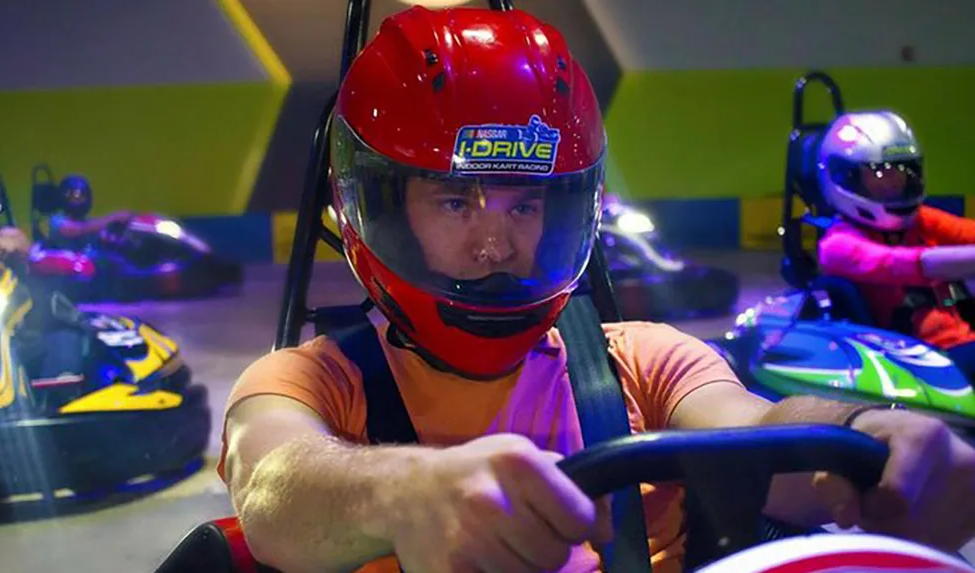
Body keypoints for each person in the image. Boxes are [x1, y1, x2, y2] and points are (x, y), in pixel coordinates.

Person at [218, 7, 975, 573]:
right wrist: (406, 491)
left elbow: (758, 425)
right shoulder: (313, 381)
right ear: (379, 210)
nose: (496, 242)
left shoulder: (643, 359)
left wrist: (866, 432)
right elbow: (275, 482)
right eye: (455, 202)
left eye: (526, 204)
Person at [816, 110, 975, 377]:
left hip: (963, 346)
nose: (893, 184)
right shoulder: (837, 246)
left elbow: (966, 231)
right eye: (879, 176)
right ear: (847, 178)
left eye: (901, 173)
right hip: (920, 360)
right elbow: (905, 264)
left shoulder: (920, 221)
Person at [0, 151, 84, 381]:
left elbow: (33, 257)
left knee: (60, 318)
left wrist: (22, 256)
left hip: (6, 338)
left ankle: (61, 386)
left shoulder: (5, 240)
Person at [46, 174, 132, 251]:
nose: (80, 201)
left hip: (90, 262)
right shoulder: (57, 220)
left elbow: (101, 236)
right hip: (66, 264)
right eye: (76, 198)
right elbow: (74, 230)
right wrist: (113, 218)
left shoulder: (88, 222)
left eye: (83, 197)